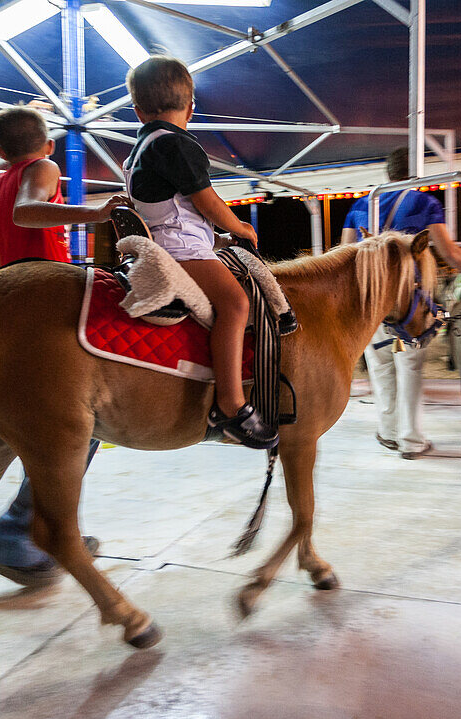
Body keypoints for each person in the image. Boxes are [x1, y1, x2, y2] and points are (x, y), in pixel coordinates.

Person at [0, 105, 128, 587]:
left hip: (9, 297)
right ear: (48, 145)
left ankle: (40, 529)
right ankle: (26, 530)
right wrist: (96, 212)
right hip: (45, 296)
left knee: (51, 431)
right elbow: (28, 210)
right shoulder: (43, 168)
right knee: (85, 423)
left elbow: (12, 221)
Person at [124, 55, 274, 449]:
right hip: (180, 248)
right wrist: (239, 227)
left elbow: (179, 205)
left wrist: (217, 238)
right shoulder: (176, 143)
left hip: (174, 240)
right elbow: (207, 201)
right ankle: (231, 405)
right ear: (191, 105)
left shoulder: (140, 148)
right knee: (237, 304)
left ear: (138, 110)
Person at [341, 147, 461, 459]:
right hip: (409, 307)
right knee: (410, 367)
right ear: (415, 171)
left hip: (372, 305)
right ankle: (412, 441)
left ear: (388, 172)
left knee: (381, 366)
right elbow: (452, 255)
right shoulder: (425, 202)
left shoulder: (361, 204)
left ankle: (388, 433)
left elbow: (347, 253)